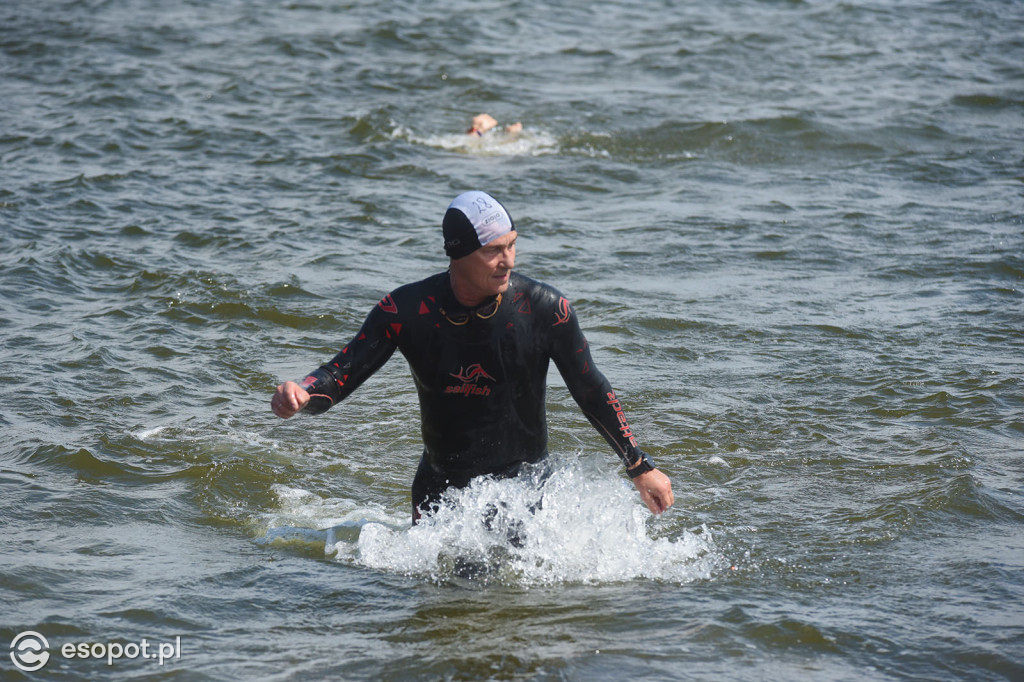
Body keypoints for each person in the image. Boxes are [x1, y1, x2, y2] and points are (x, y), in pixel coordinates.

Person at [271, 191, 674, 523]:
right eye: (494, 251)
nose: (509, 261)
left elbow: (590, 389)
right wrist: (301, 395)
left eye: (513, 245)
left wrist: (639, 465)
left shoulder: (545, 309)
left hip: (524, 489)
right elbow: (341, 374)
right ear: (458, 253)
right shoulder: (406, 311)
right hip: (440, 488)